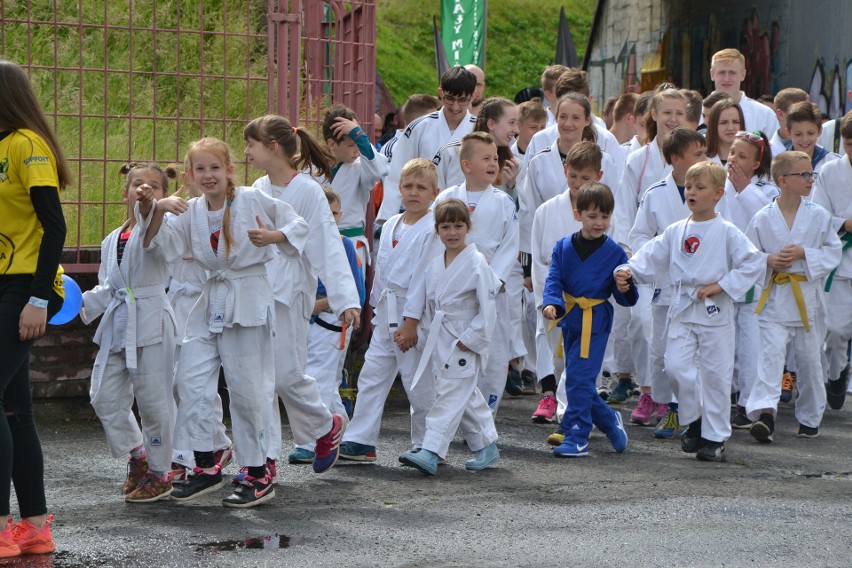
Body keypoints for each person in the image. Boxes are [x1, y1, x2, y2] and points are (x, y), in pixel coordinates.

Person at [137, 137, 310, 508]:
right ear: (190, 175)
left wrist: (274, 236)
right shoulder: (190, 211)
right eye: (200, 169)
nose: (208, 175)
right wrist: (156, 207)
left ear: (230, 170)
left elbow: (296, 222)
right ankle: (207, 461)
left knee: (248, 390)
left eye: (215, 168)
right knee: (188, 381)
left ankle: (259, 470)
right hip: (209, 300)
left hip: (246, 298)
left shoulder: (250, 199)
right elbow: (156, 245)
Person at [616, 162, 765, 462]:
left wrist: (721, 285)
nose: (692, 192)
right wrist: (627, 270)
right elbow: (650, 257)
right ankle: (695, 419)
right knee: (675, 367)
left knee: (715, 375)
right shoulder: (675, 230)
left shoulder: (728, 231)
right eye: (689, 187)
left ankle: (715, 438)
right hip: (682, 306)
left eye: (700, 188)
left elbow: (754, 262)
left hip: (714, 310)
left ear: (718, 194)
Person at [244, 115, 359, 479]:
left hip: (292, 292)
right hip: (257, 290)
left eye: (251, 145)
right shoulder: (258, 186)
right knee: (258, 379)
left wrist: (345, 299)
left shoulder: (308, 190)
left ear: (273, 147)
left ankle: (325, 427)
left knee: (286, 376)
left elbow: (327, 243)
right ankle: (263, 462)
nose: (246, 152)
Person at [0, 59, 69, 558]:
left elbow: (55, 226)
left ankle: (2, 528)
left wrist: (38, 299)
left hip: (27, 287)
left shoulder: (28, 144)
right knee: (15, 409)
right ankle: (34, 527)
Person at [80, 163, 180, 503]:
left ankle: (160, 472)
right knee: (103, 396)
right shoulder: (112, 239)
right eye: (137, 184)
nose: (144, 189)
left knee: (154, 402)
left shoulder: (163, 228)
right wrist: (73, 305)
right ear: (124, 193)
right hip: (120, 321)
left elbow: (156, 246)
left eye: (154, 185)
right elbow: (108, 287)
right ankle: (138, 455)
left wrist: (156, 211)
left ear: (165, 195)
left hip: (152, 319)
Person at [338, 159, 442, 462]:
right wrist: (372, 310)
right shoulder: (392, 224)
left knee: (417, 379)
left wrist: (411, 322)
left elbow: (425, 278)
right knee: (372, 375)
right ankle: (361, 439)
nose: (413, 193)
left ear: (434, 193)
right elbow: (381, 273)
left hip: (414, 314)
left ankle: (429, 442)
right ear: (399, 189)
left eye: (421, 188)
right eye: (408, 186)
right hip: (385, 310)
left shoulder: (432, 229)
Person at [398, 198, 501, 475]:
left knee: (450, 394)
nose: (452, 232)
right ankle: (487, 444)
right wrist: (421, 333)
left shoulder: (477, 261)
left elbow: (488, 305)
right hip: (440, 335)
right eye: (446, 227)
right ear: (437, 230)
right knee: (463, 395)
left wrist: (474, 337)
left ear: (468, 227)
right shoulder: (435, 264)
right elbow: (433, 306)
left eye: (458, 226)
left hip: (463, 338)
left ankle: (432, 450)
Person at [745, 151, 841, 442]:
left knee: (810, 362)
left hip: (807, 301)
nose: (811, 179)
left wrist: (804, 254)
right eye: (804, 174)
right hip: (774, 298)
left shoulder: (819, 216)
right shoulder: (762, 218)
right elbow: (747, 255)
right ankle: (765, 414)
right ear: (783, 180)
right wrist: (768, 261)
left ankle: (810, 416)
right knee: (769, 359)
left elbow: (833, 251)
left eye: (812, 174)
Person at [627, 128, 717, 436]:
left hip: (701, 290)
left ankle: (689, 410)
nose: (704, 159)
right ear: (676, 159)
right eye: (697, 154)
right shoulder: (654, 194)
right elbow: (639, 235)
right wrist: (656, 259)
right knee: (661, 349)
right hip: (665, 287)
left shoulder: (715, 193)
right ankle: (665, 405)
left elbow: (724, 232)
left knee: (693, 355)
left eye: (705, 153)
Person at [542, 182, 636, 458]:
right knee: (578, 381)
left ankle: (578, 435)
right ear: (577, 214)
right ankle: (610, 422)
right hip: (570, 319)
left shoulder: (616, 253)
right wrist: (551, 303)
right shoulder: (562, 247)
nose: (599, 223)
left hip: (595, 322)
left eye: (605, 217)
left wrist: (624, 286)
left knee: (579, 380)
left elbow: (627, 299)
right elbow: (553, 280)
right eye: (593, 216)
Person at [610, 88, 687, 407]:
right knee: (641, 324)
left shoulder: (696, 156)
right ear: (653, 115)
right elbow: (626, 210)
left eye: (679, 113)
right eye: (666, 112)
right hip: (645, 255)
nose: (672, 119)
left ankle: (677, 396)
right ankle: (647, 390)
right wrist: (634, 254)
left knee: (680, 331)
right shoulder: (637, 160)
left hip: (686, 261)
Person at [434, 132, 518, 414]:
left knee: (492, 356)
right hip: (454, 294)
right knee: (453, 353)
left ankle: (486, 417)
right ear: (466, 165)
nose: (494, 163)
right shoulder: (446, 198)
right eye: (486, 158)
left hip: (491, 289)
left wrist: (491, 283)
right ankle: (454, 416)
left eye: (495, 157)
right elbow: (435, 242)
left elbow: (509, 246)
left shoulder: (504, 202)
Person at [288, 187, 366, 464]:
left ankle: (311, 441)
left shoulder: (344, 245)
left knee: (317, 378)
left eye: (333, 214)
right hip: (303, 320)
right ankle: (341, 428)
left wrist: (317, 305)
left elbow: (355, 292)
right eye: (323, 214)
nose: (329, 220)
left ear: (340, 215)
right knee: (325, 382)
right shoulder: (297, 244)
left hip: (332, 321)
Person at [529, 142, 603, 427]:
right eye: (573, 176)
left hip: (586, 297)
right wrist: (546, 297)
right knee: (547, 342)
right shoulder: (546, 211)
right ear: (564, 171)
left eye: (586, 178)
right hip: (552, 292)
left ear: (598, 175)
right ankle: (548, 394)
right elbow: (538, 257)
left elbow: (609, 252)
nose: (578, 184)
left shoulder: (603, 211)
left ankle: (574, 404)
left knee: (578, 353)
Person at [520, 93, 618, 262]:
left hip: (593, 252)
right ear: (555, 118)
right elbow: (529, 210)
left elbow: (613, 207)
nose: (568, 123)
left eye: (575, 118)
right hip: (548, 249)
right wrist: (527, 264)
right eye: (563, 117)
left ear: (587, 120)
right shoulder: (539, 161)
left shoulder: (604, 160)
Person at [723, 131, 778, 428]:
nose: (733, 160)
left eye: (742, 156)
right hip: (722, 271)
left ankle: (748, 403)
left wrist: (744, 189)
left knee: (750, 343)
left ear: (757, 163)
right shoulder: (718, 180)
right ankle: (727, 395)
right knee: (723, 341)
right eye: (732, 152)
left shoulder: (767, 191)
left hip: (754, 276)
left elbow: (769, 221)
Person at [377, 66, 477, 223]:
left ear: (473, 97)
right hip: (423, 215)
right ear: (440, 93)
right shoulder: (419, 127)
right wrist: (388, 218)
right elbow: (398, 171)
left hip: (467, 216)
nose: (455, 106)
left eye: (462, 100)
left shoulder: (479, 129)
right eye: (449, 98)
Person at [812, 111, 852, 410]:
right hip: (840, 263)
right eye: (850, 143)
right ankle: (837, 373)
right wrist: (845, 223)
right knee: (836, 331)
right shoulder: (829, 171)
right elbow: (818, 214)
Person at [319, 104, 389, 269]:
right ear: (332, 144)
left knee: (352, 294)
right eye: (351, 145)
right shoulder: (313, 169)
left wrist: (359, 134)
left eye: (359, 143)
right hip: (319, 242)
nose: (357, 150)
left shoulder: (361, 167)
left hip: (351, 242)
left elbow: (379, 169)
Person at [433, 97, 520, 195]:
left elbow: (510, 207)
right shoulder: (452, 151)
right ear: (491, 124)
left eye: (517, 123)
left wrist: (511, 186)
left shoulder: (512, 163)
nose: (516, 130)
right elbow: (435, 195)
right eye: (511, 123)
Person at [709, 48, 779, 137]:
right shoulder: (698, 112)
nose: (726, 78)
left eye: (732, 73)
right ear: (712, 74)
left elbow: (775, 150)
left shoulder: (764, 115)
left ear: (743, 74)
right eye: (721, 72)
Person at [786, 101, 840, 173]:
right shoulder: (778, 164)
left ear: (820, 131)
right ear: (788, 133)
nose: (805, 139)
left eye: (810, 133)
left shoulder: (835, 163)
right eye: (798, 134)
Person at [769, 88, 808, 157]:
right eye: (797, 114)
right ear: (780, 114)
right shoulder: (765, 154)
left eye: (808, 113)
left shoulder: (823, 153)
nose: (805, 119)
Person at [705, 99, 745, 166]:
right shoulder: (702, 157)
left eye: (736, 122)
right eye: (723, 122)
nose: (730, 128)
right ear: (713, 125)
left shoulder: (752, 158)